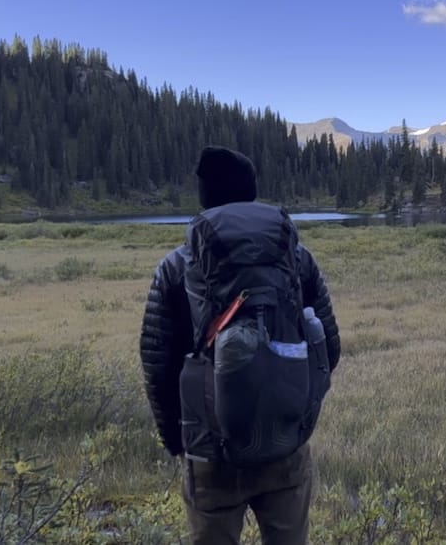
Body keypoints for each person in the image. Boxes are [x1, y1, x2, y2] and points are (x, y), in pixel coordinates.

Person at [140, 146, 341, 545]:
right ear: (251, 194)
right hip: (286, 445)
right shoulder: (296, 260)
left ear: (205, 198)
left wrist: (177, 442)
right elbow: (328, 349)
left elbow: (157, 364)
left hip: (210, 452)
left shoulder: (177, 267)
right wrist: (297, 414)